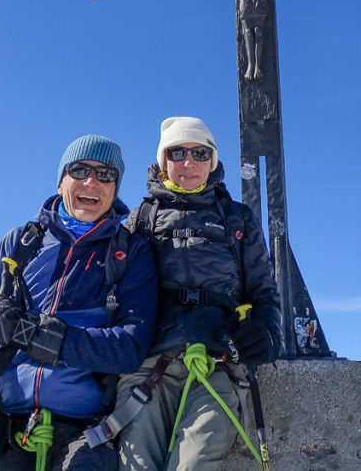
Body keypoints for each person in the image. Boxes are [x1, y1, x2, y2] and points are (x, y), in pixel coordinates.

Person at [0, 135, 157, 471]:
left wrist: (35, 334)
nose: (91, 181)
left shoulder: (130, 253)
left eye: (105, 175)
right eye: (80, 170)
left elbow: (129, 346)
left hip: (84, 427)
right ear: (61, 179)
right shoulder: (21, 244)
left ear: (115, 187)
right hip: (1, 418)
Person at [112, 117, 283, 470]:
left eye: (199, 152)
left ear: (212, 161)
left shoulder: (237, 220)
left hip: (219, 362)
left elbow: (264, 292)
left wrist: (266, 335)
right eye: (177, 152)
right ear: (163, 162)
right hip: (150, 366)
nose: (188, 162)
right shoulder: (139, 221)